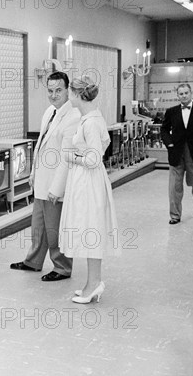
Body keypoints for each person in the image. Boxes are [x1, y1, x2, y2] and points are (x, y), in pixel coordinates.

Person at [10, 71, 81, 281]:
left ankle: (62, 267)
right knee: (38, 227)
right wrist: (32, 173)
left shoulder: (74, 116)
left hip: (56, 184)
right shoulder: (50, 111)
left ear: (68, 90)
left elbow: (67, 157)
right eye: (50, 90)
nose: (53, 94)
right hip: (42, 179)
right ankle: (33, 261)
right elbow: (40, 145)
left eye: (58, 90)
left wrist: (57, 188)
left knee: (55, 229)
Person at [59, 75, 120, 304]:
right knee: (87, 231)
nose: (68, 97)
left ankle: (94, 284)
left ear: (77, 95)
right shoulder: (88, 119)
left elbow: (94, 158)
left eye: (70, 93)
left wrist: (71, 156)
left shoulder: (91, 122)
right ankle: (91, 283)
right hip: (85, 181)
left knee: (90, 231)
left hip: (89, 181)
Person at [160, 83, 193, 224]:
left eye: (186, 93)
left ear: (191, 93)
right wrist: (169, 144)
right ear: (177, 95)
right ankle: (175, 215)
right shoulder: (171, 111)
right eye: (181, 93)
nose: (183, 96)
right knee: (174, 187)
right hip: (176, 153)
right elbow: (164, 130)